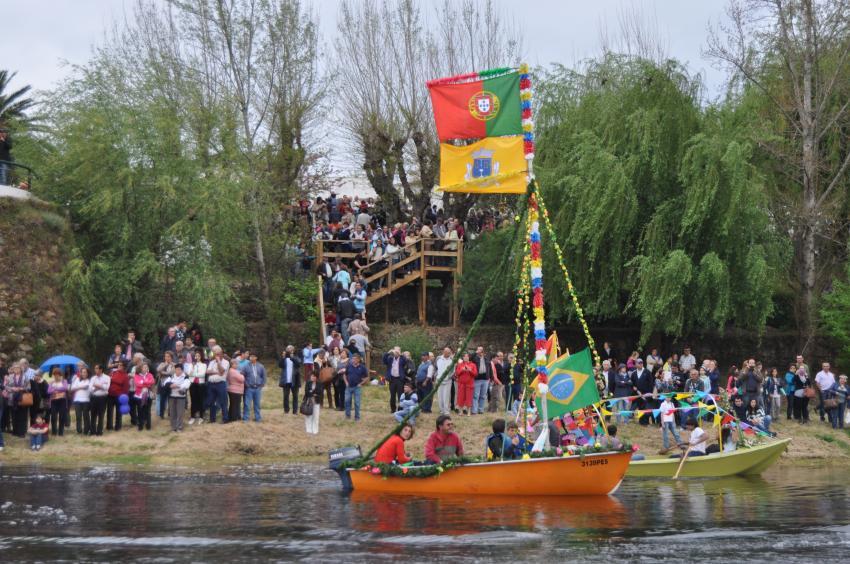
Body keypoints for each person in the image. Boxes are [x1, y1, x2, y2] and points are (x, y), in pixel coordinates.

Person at [206, 346, 229, 424]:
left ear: (221, 353)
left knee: (223, 402)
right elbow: (207, 372)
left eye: (217, 354)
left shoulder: (226, 362)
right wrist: (215, 372)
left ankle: (225, 419)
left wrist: (219, 362)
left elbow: (222, 371)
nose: (216, 356)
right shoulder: (212, 362)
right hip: (211, 384)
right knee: (211, 402)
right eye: (215, 354)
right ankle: (212, 419)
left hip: (220, 384)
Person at [241, 353, 266, 422]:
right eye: (250, 356)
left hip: (257, 388)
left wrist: (262, 384)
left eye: (253, 356)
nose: (251, 358)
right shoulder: (246, 366)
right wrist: (246, 384)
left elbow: (263, 376)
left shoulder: (261, 366)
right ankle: (246, 418)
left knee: (257, 404)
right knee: (247, 403)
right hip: (249, 388)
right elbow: (242, 375)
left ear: (256, 357)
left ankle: (258, 418)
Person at [383, 346, 409, 413]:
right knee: (392, 395)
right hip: (392, 379)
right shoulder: (390, 358)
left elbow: (406, 361)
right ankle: (393, 409)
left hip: (400, 379)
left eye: (397, 351)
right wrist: (388, 352)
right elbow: (384, 360)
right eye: (395, 351)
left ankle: (400, 409)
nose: (396, 352)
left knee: (400, 395)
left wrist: (400, 354)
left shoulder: (402, 359)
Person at [344, 353, 368, 421]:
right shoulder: (348, 366)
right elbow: (344, 375)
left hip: (357, 387)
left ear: (358, 359)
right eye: (352, 359)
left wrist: (361, 383)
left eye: (354, 359)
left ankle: (357, 417)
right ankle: (347, 415)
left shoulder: (362, 367)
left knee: (357, 403)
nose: (353, 360)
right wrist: (346, 382)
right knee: (347, 401)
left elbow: (366, 377)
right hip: (348, 387)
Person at [106, 360, 129, 431]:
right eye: (118, 364)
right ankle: (109, 426)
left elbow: (126, 388)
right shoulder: (113, 372)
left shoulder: (125, 376)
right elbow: (108, 380)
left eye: (121, 365)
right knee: (109, 411)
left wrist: (124, 398)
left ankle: (118, 427)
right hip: (110, 395)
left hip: (119, 396)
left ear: (124, 367)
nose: (119, 366)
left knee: (118, 412)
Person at [278, 346, 302, 415]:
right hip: (286, 381)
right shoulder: (284, 358)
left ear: (293, 350)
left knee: (295, 396)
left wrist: (292, 357)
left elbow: (298, 363)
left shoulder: (296, 357)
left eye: (290, 350)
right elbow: (280, 365)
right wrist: (283, 357)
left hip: (295, 380)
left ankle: (295, 411)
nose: (289, 351)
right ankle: (286, 410)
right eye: (288, 350)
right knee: (285, 396)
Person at [47, 368, 69, 437]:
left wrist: (55, 389)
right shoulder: (51, 382)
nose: (56, 376)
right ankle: (54, 432)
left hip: (62, 401)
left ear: (60, 375)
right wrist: (57, 390)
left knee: (62, 416)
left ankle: (61, 432)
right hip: (53, 401)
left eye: (57, 375)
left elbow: (65, 388)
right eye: (55, 375)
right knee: (53, 417)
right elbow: (49, 391)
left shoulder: (64, 381)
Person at [89, 365, 110, 436]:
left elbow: (106, 388)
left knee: (101, 415)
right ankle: (92, 431)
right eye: (95, 368)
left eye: (97, 368)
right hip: (94, 398)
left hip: (102, 398)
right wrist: (100, 386)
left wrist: (97, 386)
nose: (95, 370)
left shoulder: (107, 377)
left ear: (101, 370)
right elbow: (90, 389)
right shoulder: (93, 378)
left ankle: (99, 431)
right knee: (93, 415)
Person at [70, 367, 93, 435]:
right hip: (77, 400)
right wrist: (81, 387)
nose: (83, 374)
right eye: (82, 372)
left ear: (88, 373)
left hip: (86, 400)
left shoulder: (90, 380)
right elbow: (72, 388)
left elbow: (90, 390)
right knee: (78, 416)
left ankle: (86, 430)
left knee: (86, 416)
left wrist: (78, 388)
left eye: (85, 372)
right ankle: (79, 430)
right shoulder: (77, 379)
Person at [133, 364, 156, 431]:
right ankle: (140, 426)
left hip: (148, 395)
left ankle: (148, 426)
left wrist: (143, 383)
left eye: (147, 367)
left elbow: (152, 381)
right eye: (144, 367)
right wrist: (146, 383)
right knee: (140, 411)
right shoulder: (137, 376)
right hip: (139, 396)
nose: (146, 368)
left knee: (147, 411)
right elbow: (138, 384)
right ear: (140, 369)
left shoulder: (150, 375)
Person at [470, 346, 491, 415]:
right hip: (477, 379)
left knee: (483, 395)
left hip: (485, 379)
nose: (480, 351)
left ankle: (481, 409)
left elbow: (489, 368)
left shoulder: (486, 358)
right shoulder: (475, 358)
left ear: (483, 352)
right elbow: (470, 358)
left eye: (481, 350)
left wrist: (490, 377)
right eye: (479, 350)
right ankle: (474, 411)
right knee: (475, 395)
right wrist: (475, 352)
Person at [188, 351, 207, 425]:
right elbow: (189, 374)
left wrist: (194, 374)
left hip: (200, 384)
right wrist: (193, 367)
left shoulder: (204, 365)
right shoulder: (192, 365)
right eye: (196, 356)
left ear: (201, 357)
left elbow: (202, 375)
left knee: (201, 400)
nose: (197, 357)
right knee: (193, 401)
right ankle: (192, 417)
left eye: (198, 356)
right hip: (193, 384)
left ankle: (201, 417)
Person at [156, 351, 176, 419]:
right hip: (162, 383)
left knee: (170, 398)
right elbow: (158, 370)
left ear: (171, 357)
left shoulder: (174, 365)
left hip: (170, 383)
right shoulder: (162, 364)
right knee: (162, 399)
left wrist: (162, 372)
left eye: (168, 356)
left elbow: (171, 373)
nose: (167, 358)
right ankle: (161, 414)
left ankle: (170, 413)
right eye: (165, 356)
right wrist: (165, 365)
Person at [435, 347, 455, 416]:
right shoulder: (438, 358)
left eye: (450, 352)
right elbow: (436, 368)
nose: (449, 354)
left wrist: (449, 377)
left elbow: (453, 370)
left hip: (447, 380)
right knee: (440, 396)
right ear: (444, 352)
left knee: (446, 396)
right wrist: (436, 376)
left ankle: (446, 411)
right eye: (448, 352)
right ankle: (441, 410)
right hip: (439, 380)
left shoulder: (452, 360)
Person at [303, 370, 322, 435]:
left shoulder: (319, 383)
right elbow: (306, 392)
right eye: (311, 376)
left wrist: (311, 392)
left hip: (316, 401)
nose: (312, 377)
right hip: (308, 401)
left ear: (316, 377)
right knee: (308, 415)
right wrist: (313, 393)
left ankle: (315, 430)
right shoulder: (308, 383)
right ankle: (308, 430)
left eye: (314, 376)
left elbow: (320, 392)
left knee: (316, 416)